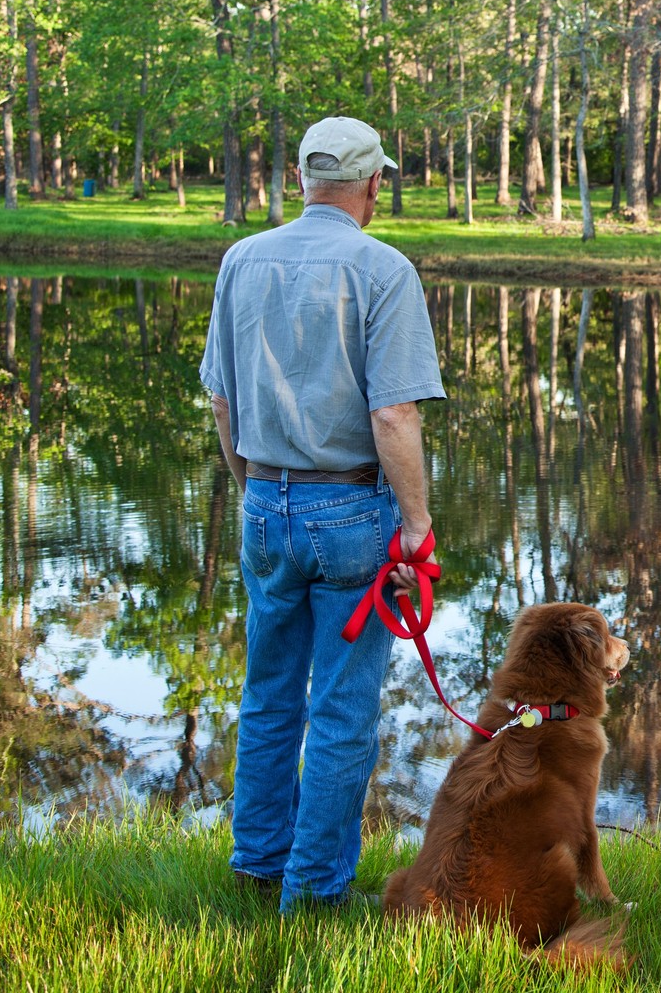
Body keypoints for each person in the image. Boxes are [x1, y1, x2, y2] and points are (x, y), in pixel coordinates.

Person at [199, 116, 444, 911]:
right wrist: (416, 530)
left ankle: (256, 867)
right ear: (375, 185)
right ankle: (313, 895)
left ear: (301, 181)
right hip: (349, 513)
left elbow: (221, 399)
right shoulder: (383, 268)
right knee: (341, 708)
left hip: (265, 503)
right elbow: (394, 417)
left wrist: (253, 485)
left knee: (269, 693)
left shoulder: (242, 260)